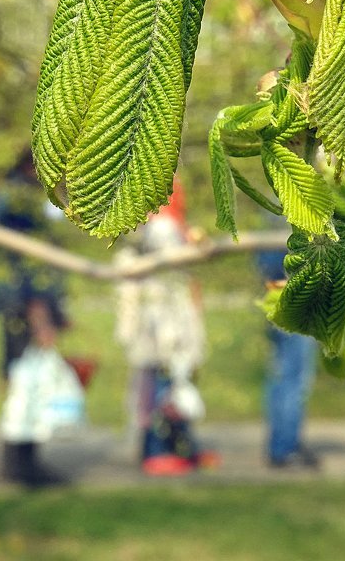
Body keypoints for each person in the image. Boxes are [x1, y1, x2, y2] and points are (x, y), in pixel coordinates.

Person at [115, 185, 218, 476]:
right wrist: (197, 249)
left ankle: (180, 444)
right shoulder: (161, 226)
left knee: (172, 380)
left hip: (166, 315)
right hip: (162, 319)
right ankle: (158, 448)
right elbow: (172, 262)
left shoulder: (159, 225)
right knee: (163, 384)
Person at [0, 157, 70, 487]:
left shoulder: (11, 195)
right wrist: (41, 316)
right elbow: (28, 264)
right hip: (23, 304)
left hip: (18, 301)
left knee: (21, 379)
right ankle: (21, 463)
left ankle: (19, 460)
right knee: (28, 382)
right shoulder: (21, 201)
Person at [257, 247, 319, 469]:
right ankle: (285, 446)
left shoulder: (271, 220)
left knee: (284, 374)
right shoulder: (290, 220)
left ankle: (285, 441)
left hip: (280, 302)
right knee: (293, 377)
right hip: (295, 305)